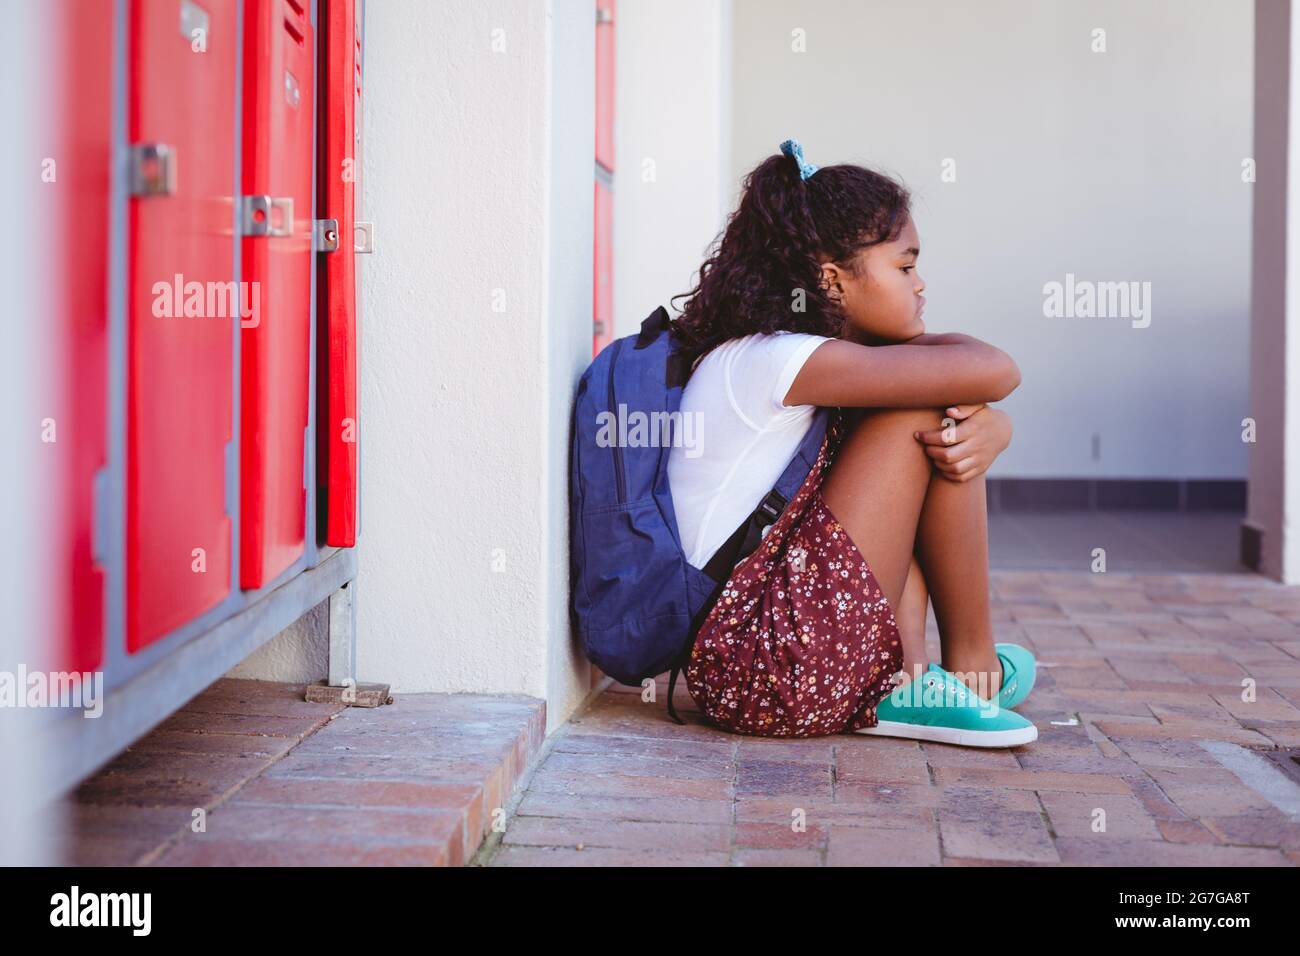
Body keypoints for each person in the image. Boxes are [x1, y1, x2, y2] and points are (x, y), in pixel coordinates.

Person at [666, 139, 1037, 747]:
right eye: (905, 265)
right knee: (926, 407)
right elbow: (993, 368)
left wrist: (995, 426)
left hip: (765, 662)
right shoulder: (779, 358)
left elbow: (972, 376)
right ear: (831, 280)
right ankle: (964, 670)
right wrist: (987, 416)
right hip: (766, 669)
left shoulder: (805, 359)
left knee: (933, 406)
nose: (921, 285)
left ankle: (912, 676)